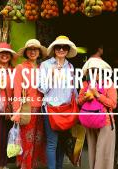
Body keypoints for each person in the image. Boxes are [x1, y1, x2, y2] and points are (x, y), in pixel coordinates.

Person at [38, 35, 78, 169]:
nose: (61, 49)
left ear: (68, 50)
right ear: (54, 49)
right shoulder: (45, 65)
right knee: (52, 142)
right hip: (50, 108)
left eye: (64, 47)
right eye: (58, 47)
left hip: (66, 109)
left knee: (62, 142)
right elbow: (42, 88)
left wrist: (78, 104)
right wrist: (52, 75)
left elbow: (73, 89)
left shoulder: (70, 66)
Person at [11, 39, 47, 169]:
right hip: (27, 109)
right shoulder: (20, 68)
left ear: (39, 52)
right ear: (26, 52)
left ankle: (33, 166)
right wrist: (16, 112)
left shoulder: (42, 69)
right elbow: (16, 91)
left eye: (35, 49)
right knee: (26, 141)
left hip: (41, 109)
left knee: (38, 141)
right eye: (30, 49)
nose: (33, 52)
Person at [78, 58, 117, 169]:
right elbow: (78, 101)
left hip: (106, 123)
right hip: (90, 122)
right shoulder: (86, 84)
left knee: (104, 154)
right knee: (93, 153)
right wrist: (86, 97)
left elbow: (113, 104)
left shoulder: (108, 84)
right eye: (92, 71)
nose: (95, 74)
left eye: (97, 71)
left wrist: (97, 95)